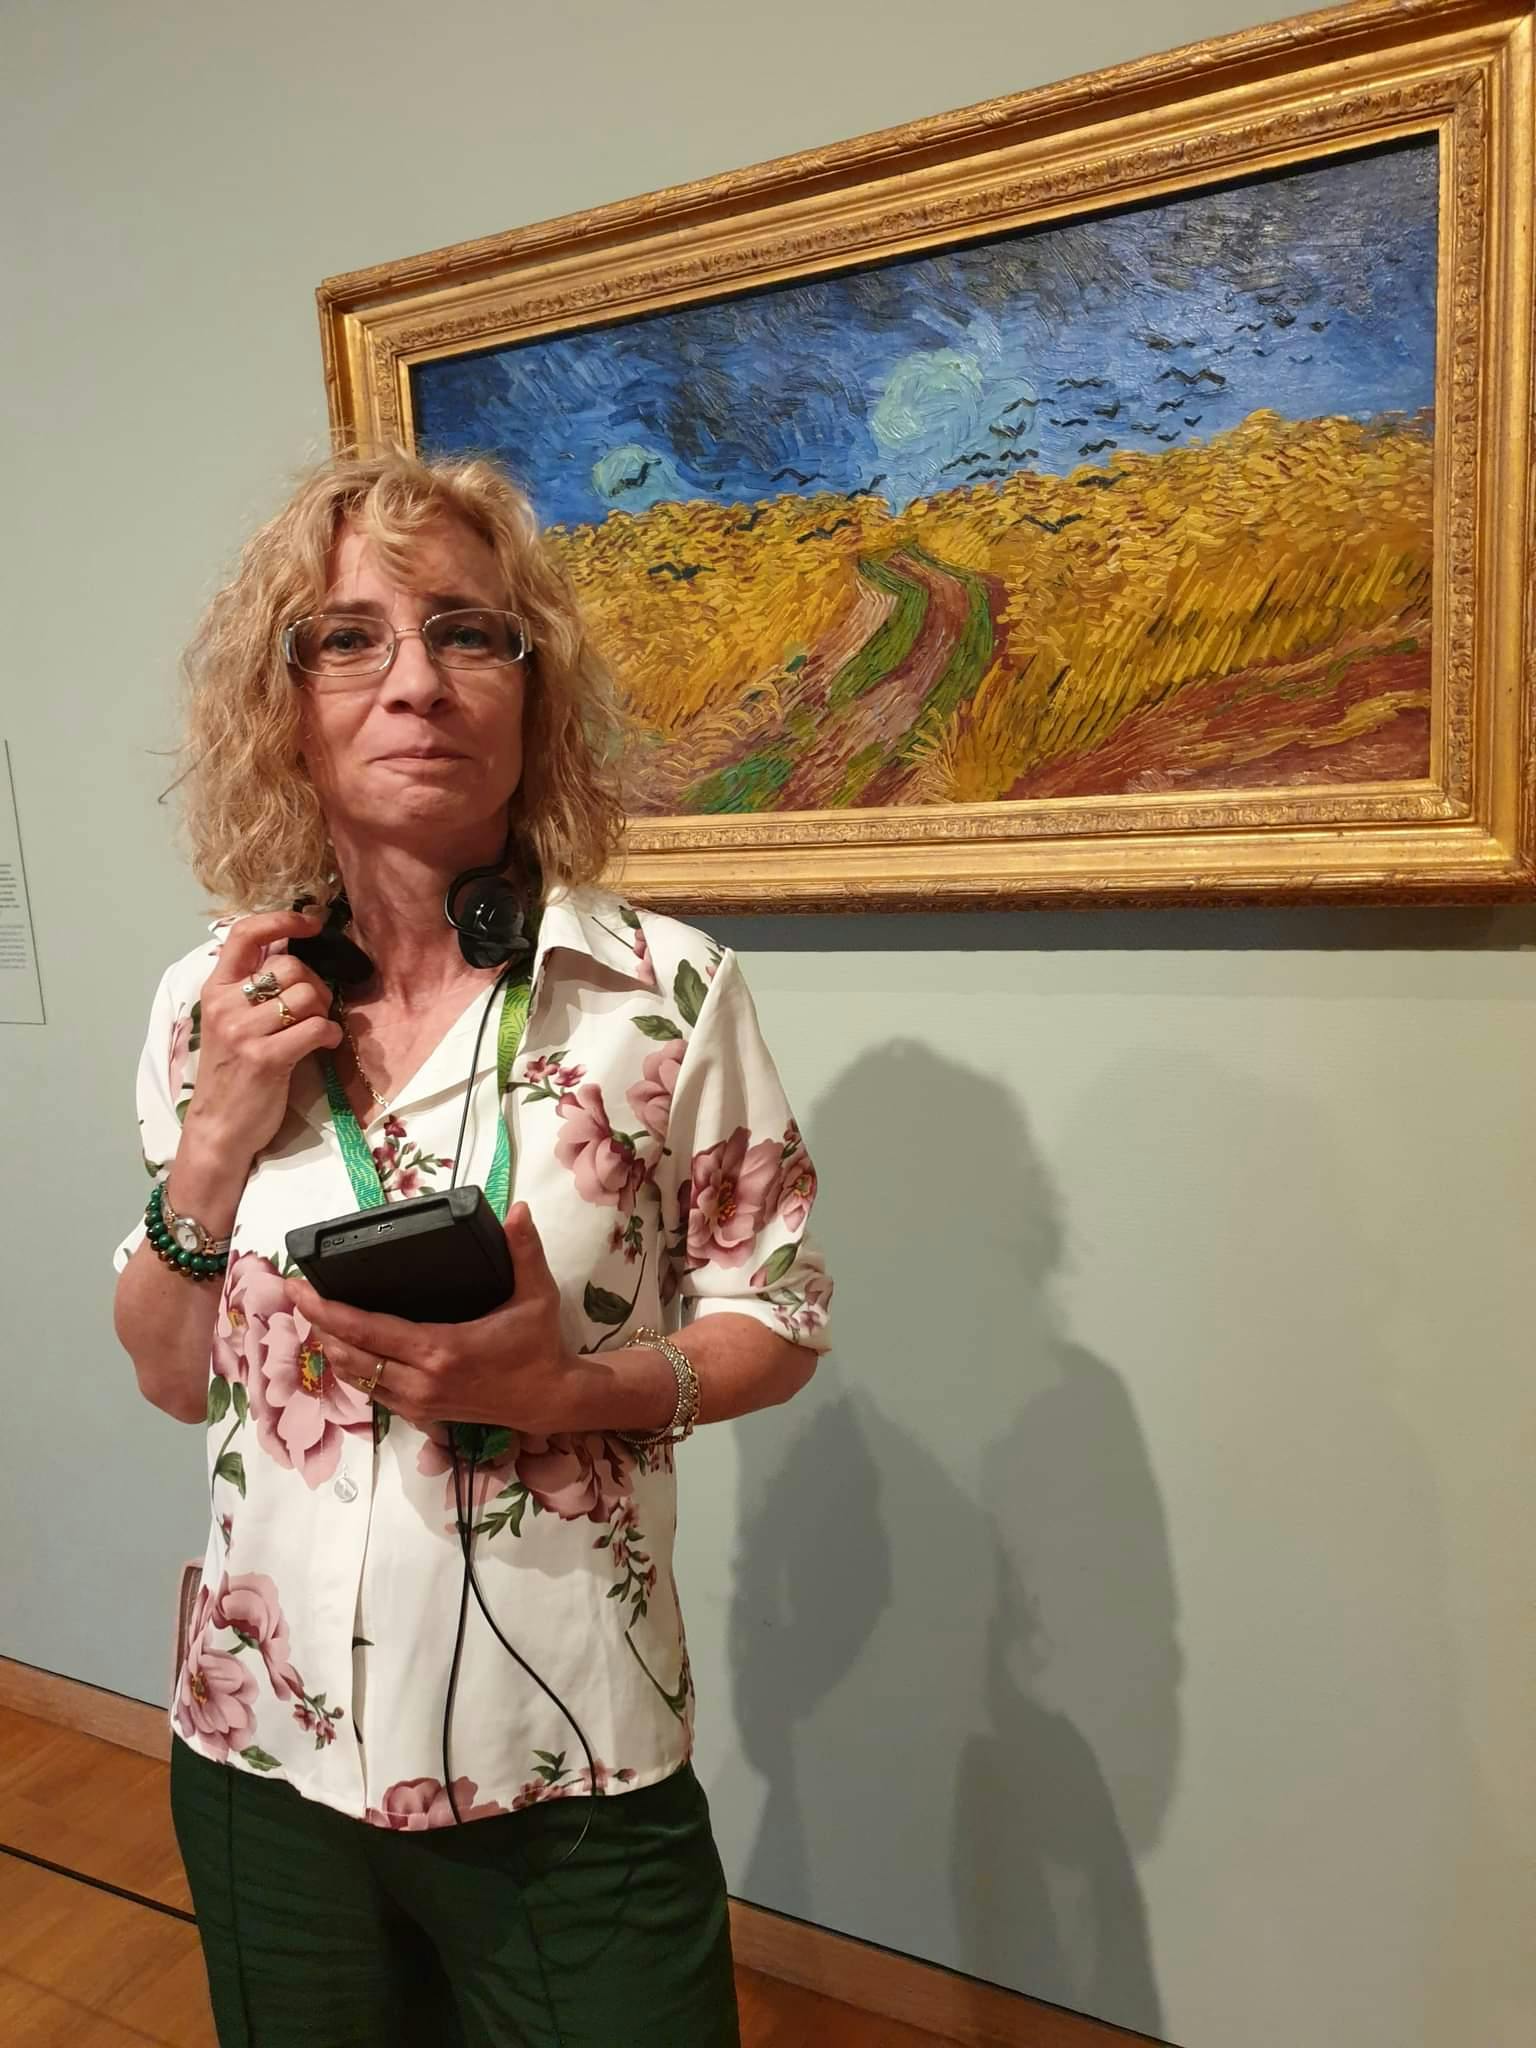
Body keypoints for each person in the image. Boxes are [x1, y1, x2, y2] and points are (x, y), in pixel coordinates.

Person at [111, 450, 832, 2046]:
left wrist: (566, 1393)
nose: (416, 682)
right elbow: (169, 1376)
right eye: (348, 638)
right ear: (284, 701)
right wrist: (217, 1137)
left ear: (532, 685)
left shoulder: (666, 993)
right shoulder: (208, 1005)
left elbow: (775, 1322)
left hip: (570, 1760)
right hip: (259, 1756)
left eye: (467, 632)